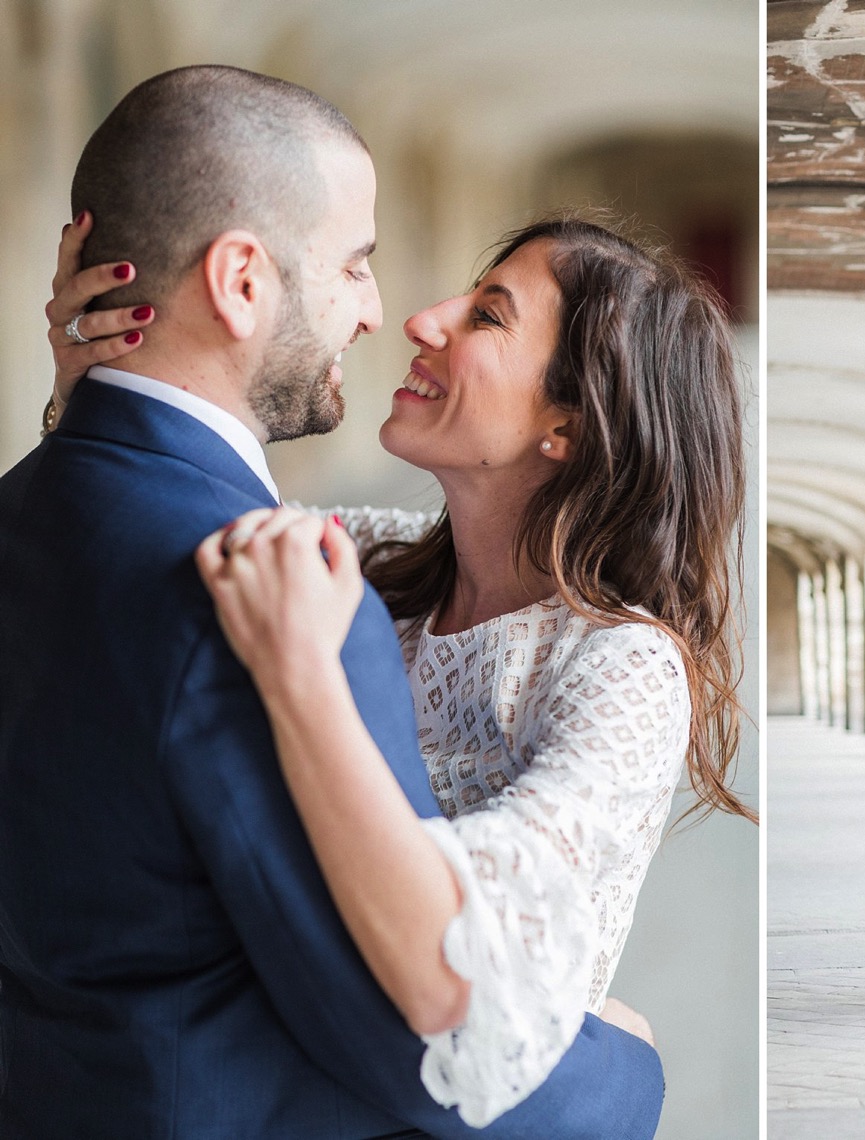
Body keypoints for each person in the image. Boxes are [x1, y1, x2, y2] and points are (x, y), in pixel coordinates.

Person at [0, 65, 663, 1139]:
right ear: (243, 283)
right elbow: (415, 1049)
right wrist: (627, 1068)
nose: (381, 310)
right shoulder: (278, 601)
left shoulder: (26, 512)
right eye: (354, 263)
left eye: (486, 312)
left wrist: (87, 412)